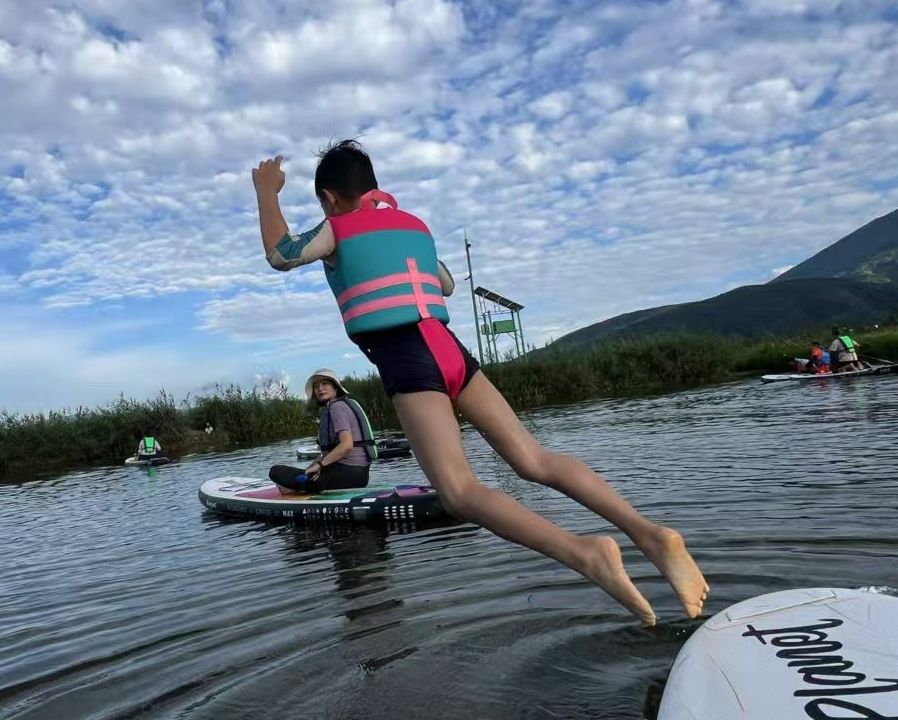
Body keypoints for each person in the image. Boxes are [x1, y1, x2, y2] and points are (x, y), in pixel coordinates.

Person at [252, 140, 708, 626]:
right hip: (452, 353)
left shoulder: (336, 227)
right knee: (535, 460)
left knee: (459, 492)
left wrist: (267, 192)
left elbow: (281, 254)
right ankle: (649, 534)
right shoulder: (416, 230)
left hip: (408, 358)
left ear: (330, 197)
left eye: (324, 203)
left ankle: (586, 554)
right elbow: (444, 284)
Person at [269, 370, 373, 494]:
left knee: (276, 472)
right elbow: (326, 454)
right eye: (316, 386)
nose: (320, 388)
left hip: (347, 476)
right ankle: (300, 486)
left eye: (325, 384)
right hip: (359, 476)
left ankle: (295, 489)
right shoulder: (341, 405)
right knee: (301, 475)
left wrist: (320, 466)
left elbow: (346, 445)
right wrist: (311, 469)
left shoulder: (336, 407)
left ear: (335, 388)